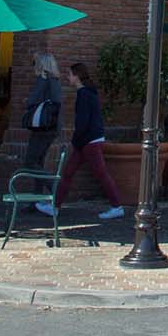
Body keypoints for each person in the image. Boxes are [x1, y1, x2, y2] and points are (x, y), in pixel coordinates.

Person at [43, 61, 125, 221]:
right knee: (68, 173)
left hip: (89, 141)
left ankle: (117, 206)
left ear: (77, 76)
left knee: (99, 174)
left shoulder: (83, 94)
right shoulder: (89, 93)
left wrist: (76, 140)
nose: (68, 77)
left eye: (70, 74)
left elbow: (82, 122)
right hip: (88, 141)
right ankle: (55, 207)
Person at [19, 52, 63, 169]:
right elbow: (56, 100)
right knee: (39, 162)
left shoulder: (44, 79)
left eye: (35, 63)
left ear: (41, 65)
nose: (34, 66)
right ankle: (40, 188)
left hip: (43, 127)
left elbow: (32, 102)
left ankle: (54, 187)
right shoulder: (55, 79)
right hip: (52, 126)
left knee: (31, 162)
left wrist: (27, 101)